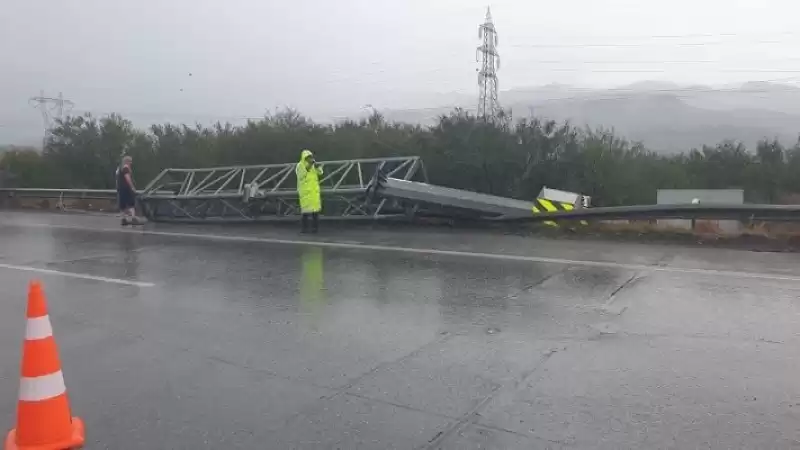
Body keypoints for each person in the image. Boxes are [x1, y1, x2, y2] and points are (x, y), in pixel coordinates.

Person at [295, 149, 323, 233]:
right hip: (305, 192)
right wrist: (309, 166)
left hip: (314, 192)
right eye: (308, 157)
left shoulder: (313, 165)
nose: (310, 159)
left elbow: (320, 173)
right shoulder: (300, 165)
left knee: (315, 212)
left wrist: (318, 167)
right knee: (305, 212)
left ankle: (315, 229)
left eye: (311, 157)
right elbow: (301, 175)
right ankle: (304, 229)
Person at [116, 155, 140, 225]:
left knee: (122, 204)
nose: (131, 163)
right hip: (126, 188)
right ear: (127, 161)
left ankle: (123, 219)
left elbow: (117, 179)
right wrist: (132, 187)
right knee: (131, 203)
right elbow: (127, 178)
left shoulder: (118, 168)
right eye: (130, 161)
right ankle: (133, 218)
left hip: (120, 188)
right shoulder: (126, 168)